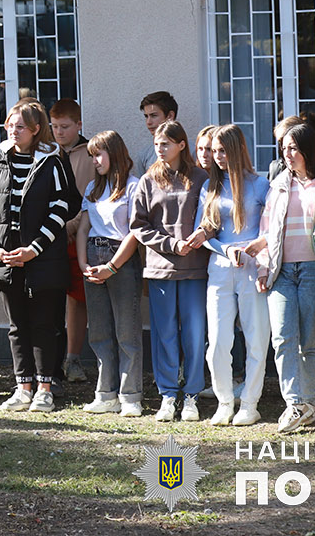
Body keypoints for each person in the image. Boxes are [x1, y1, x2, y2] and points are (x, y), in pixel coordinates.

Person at [0, 100, 82, 412]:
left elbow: (64, 206)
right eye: (9, 125)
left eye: (19, 126)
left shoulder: (53, 161)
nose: (12, 130)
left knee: (44, 324)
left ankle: (45, 389)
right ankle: (23, 387)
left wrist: (34, 248)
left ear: (36, 130)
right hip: (7, 255)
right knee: (16, 325)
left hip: (43, 257)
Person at [252, 121, 315, 433]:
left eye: (293, 148)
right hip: (282, 271)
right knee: (283, 337)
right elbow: (266, 230)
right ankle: (295, 403)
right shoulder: (277, 185)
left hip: (314, 269)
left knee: (309, 340)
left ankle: (310, 404)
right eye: (284, 148)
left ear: (308, 151)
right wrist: (263, 266)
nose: (287, 154)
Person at [128, 120, 210, 422]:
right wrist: (171, 244)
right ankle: (167, 395)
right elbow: (138, 226)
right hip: (160, 269)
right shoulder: (148, 180)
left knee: (194, 334)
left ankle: (191, 395)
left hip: (195, 268)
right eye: (156, 145)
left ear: (181, 145)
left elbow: (212, 217)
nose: (159, 149)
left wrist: (198, 236)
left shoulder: (201, 178)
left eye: (165, 144)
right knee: (164, 335)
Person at [197, 124, 270, 427]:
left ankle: (249, 404)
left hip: (253, 270)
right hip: (220, 269)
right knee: (217, 341)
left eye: (222, 150)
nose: (217, 157)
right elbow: (206, 233)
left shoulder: (261, 185)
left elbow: (269, 230)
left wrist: (256, 253)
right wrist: (225, 251)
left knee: (256, 339)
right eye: (214, 151)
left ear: (238, 149)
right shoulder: (209, 187)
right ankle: (225, 401)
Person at [78, 130, 143, 416]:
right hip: (92, 257)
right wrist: (83, 263)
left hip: (121, 260)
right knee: (100, 330)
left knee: (126, 331)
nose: (94, 160)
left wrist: (112, 266)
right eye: (91, 155)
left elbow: (134, 233)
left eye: (98, 154)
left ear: (114, 153)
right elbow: (83, 227)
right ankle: (106, 394)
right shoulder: (92, 187)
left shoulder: (133, 186)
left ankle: (130, 396)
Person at [49, 99, 91, 384]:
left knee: (79, 299)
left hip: (81, 236)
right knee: (50, 298)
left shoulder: (91, 154)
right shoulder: (45, 154)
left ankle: (73, 359)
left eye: (65, 127)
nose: (59, 133)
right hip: (47, 237)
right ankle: (49, 362)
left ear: (78, 124)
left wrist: (74, 226)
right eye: (54, 127)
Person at [138, 91, 178, 174]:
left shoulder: (192, 151)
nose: (148, 122)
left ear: (170, 116)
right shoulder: (145, 154)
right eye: (146, 116)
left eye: (154, 115)